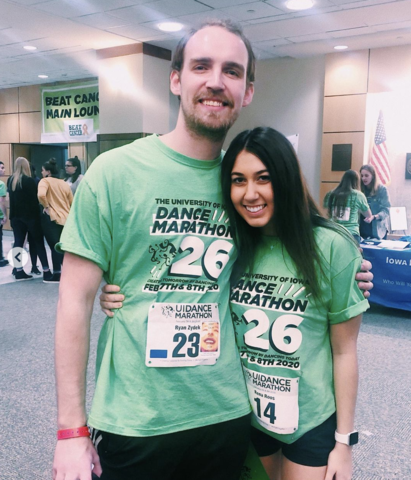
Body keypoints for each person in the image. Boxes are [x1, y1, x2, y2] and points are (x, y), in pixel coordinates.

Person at [53, 20, 373, 480]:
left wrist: (351, 272)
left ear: (246, 91)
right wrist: (70, 430)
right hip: (136, 418)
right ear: (176, 79)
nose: (215, 81)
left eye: (232, 71)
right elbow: (72, 302)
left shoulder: (243, 182)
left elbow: (295, 251)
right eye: (201, 66)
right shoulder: (113, 172)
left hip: (226, 415)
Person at [104, 127, 370, 480]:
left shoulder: (331, 246)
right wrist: (115, 294)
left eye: (263, 178)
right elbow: (178, 282)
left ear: (286, 178)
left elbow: (345, 352)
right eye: (238, 180)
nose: (250, 193)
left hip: (309, 421)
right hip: (246, 417)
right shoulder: (234, 243)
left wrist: (344, 442)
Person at [7, 157, 52, 281]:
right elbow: (34, 201)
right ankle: (46, 270)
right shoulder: (30, 181)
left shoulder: (11, 180)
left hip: (16, 217)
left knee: (18, 243)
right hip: (31, 217)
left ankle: (19, 270)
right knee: (38, 243)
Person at [38, 158, 73, 283]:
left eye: (42, 170)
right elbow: (71, 202)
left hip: (52, 217)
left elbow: (41, 195)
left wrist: (46, 206)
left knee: (54, 247)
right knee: (63, 246)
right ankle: (68, 272)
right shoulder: (64, 183)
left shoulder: (45, 181)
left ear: (48, 171)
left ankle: (57, 274)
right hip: (66, 218)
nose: (41, 173)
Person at [324, 169, 372, 244]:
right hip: (351, 234)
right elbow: (368, 215)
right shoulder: (358, 195)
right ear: (356, 181)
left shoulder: (331, 194)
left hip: (333, 232)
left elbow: (326, 212)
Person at [359, 165, 391, 240]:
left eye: (366, 175)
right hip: (362, 230)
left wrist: (374, 217)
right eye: (362, 176)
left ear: (373, 176)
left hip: (378, 230)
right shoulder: (359, 190)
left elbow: (386, 210)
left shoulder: (382, 190)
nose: (363, 178)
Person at [0, 161, 8, 267]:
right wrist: (5, 215)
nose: (3, 169)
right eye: (1, 168)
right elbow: (1, 201)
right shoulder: (1, 184)